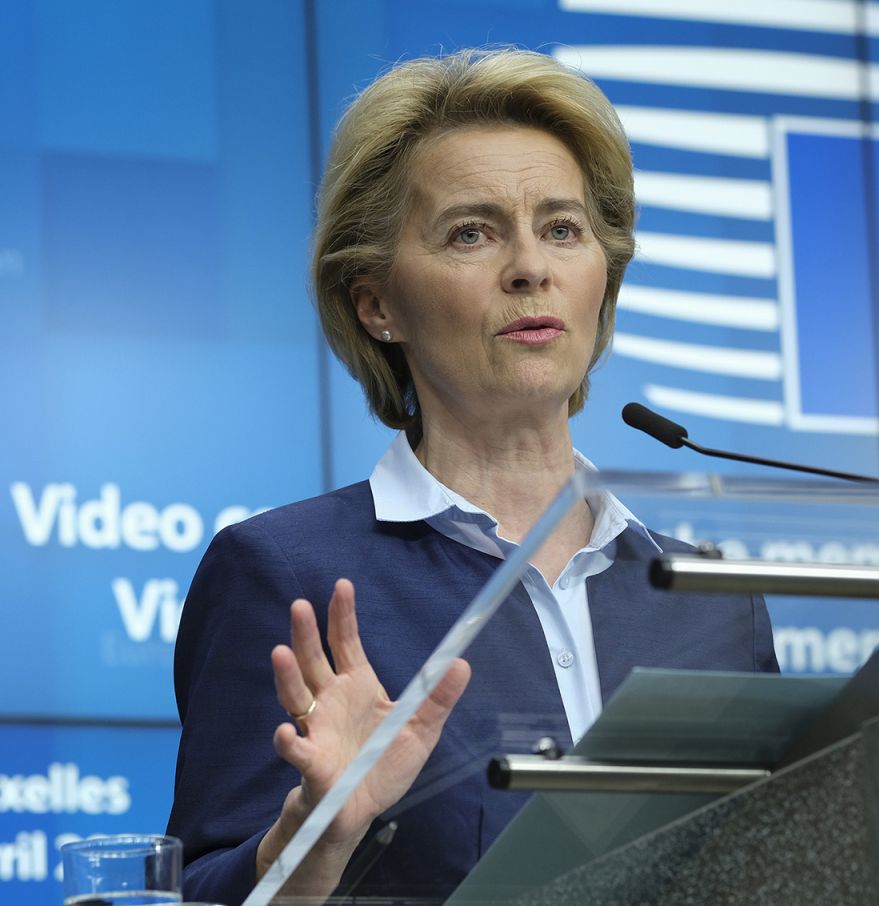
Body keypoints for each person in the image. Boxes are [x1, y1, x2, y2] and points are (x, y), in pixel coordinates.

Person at [167, 48, 779, 904]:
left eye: (563, 229)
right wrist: (312, 839)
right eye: (472, 232)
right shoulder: (286, 573)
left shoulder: (712, 600)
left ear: (602, 283)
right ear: (375, 302)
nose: (532, 268)